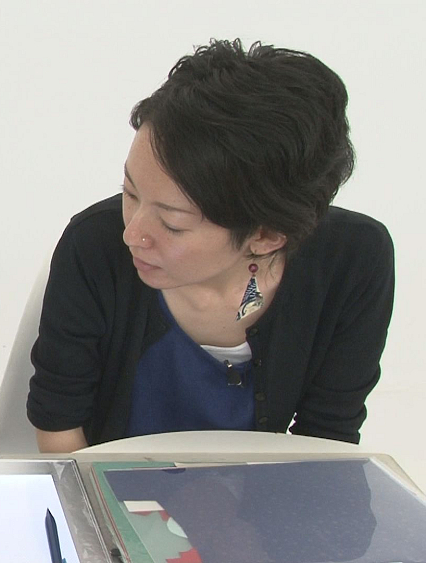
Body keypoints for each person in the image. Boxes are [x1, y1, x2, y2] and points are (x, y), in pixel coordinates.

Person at [28, 39, 394, 453]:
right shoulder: (94, 245)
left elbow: (328, 442)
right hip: (107, 484)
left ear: (266, 236)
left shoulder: (354, 261)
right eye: (130, 192)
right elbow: (59, 425)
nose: (133, 234)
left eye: (173, 223)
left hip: (267, 488)